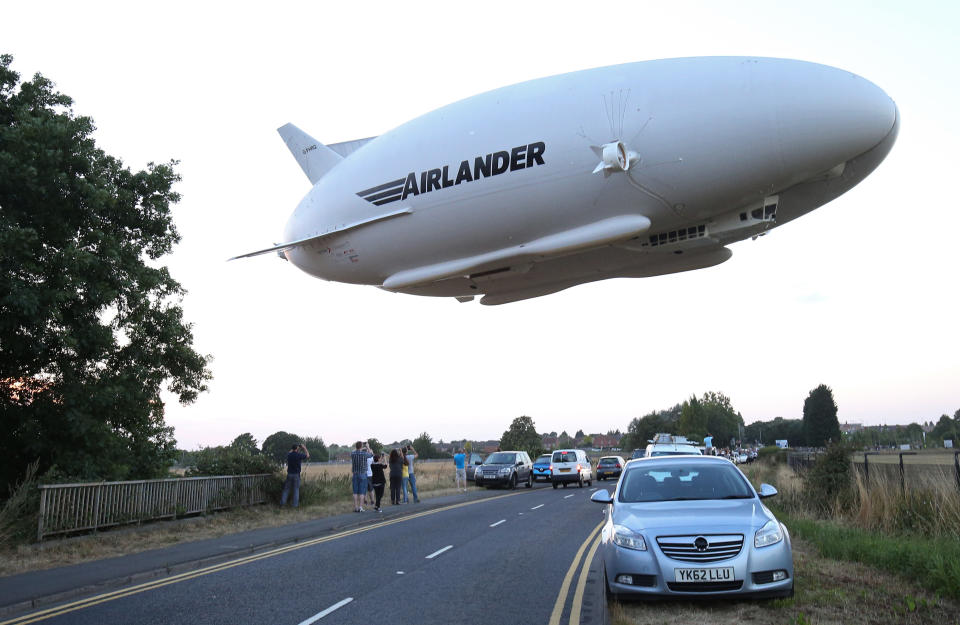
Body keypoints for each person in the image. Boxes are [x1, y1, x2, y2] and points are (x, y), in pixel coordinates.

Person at [280, 443, 309, 508]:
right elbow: (307, 455)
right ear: (297, 449)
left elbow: (289, 452)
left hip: (289, 474)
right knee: (296, 490)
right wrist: (304, 448)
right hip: (296, 475)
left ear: (292, 449)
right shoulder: (299, 455)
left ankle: (282, 504)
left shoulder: (289, 455)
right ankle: (295, 505)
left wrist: (295, 448)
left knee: (286, 489)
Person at [350, 441, 372, 512]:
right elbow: (371, 454)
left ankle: (356, 507)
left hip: (355, 474)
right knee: (362, 491)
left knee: (355, 492)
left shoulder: (353, 454)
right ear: (361, 447)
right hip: (363, 474)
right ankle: (360, 507)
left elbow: (354, 451)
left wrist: (358, 447)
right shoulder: (364, 454)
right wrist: (367, 447)